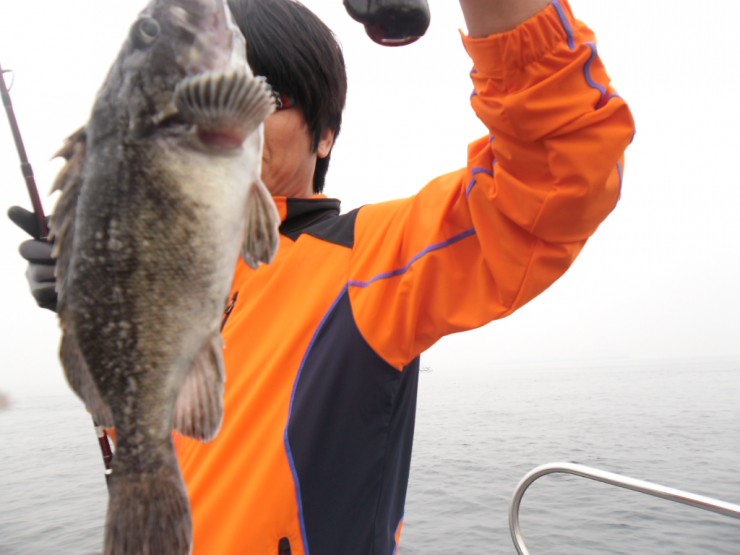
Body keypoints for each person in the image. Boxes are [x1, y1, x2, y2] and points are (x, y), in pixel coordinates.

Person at [8, 0, 635, 552]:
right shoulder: (170, 279)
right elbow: (159, 434)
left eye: (267, 97)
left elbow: (556, 176)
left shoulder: (369, 259)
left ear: (325, 136)